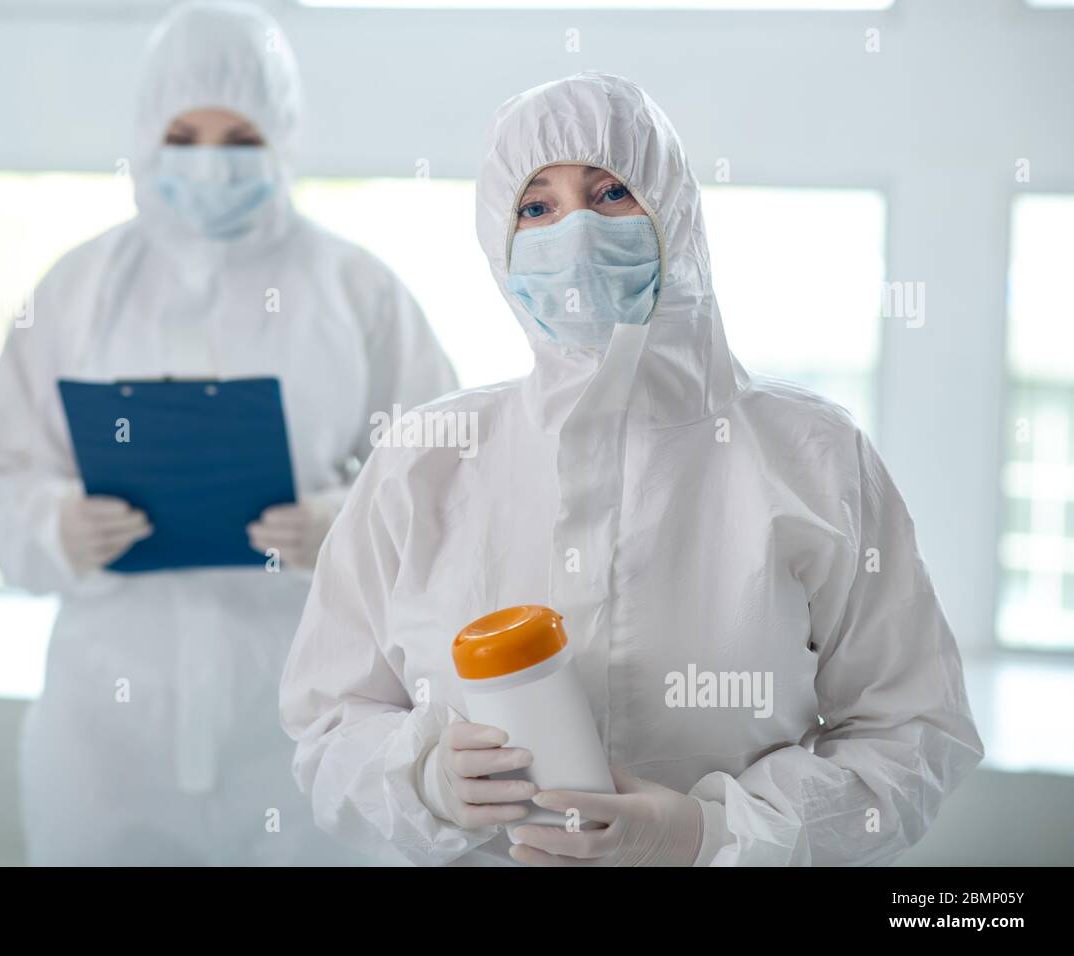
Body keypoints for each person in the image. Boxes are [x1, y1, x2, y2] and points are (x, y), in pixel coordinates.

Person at [279, 72, 983, 866]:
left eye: (611, 192)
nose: (573, 228)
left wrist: (709, 834)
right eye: (536, 207)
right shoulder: (425, 458)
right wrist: (425, 783)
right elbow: (330, 719)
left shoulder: (813, 456)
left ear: (675, 213)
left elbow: (915, 732)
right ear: (499, 244)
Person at [0, 0, 456, 865]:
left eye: (240, 137)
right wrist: (53, 523)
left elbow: (447, 482)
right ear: (146, 135)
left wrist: (348, 525)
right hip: (107, 740)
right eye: (184, 133)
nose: (210, 162)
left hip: (308, 728)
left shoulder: (357, 292)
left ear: (284, 134)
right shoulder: (78, 289)